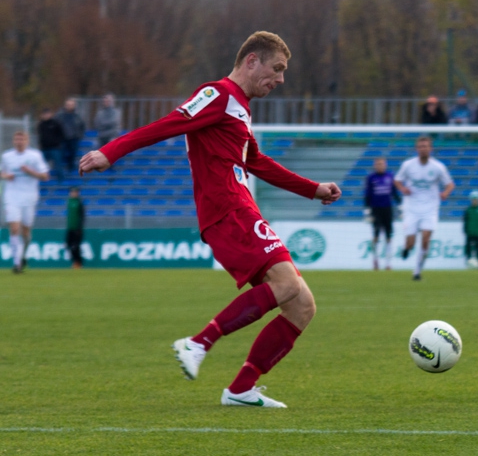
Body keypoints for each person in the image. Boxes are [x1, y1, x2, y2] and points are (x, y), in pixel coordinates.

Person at [79, 31, 342, 408]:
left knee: (302, 305)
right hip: (228, 209)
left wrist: (312, 189)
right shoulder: (217, 95)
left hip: (240, 208)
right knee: (286, 285)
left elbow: (254, 161)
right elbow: (168, 124)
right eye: (277, 69)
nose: (281, 79)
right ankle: (198, 342)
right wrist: (111, 151)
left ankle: (240, 390)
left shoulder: (241, 107)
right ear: (251, 60)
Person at [394, 135, 454, 281]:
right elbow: (397, 180)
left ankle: (417, 271)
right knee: (411, 242)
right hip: (411, 208)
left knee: (426, 240)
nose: (423, 149)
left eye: (426, 146)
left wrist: (445, 193)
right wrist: (402, 189)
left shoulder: (438, 167)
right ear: (416, 149)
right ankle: (407, 248)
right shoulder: (408, 165)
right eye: (420, 147)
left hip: (430, 208)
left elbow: (450, 184)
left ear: (430, 149)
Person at [1, 131, 50, 273]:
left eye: (22, 139)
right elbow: (1, 172)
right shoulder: (6, 156)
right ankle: (16, 263)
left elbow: (45, 176)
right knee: (14, 228)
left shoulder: (35, 156)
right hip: (12, 196)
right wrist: (5, 175)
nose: (19, 141)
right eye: (17, 139)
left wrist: (29, 171)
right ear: (13, 141)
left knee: (26, 231)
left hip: (29, 197)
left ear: (27, 141)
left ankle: (23, 255)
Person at [364, 157, 400, 271]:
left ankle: (388, 263)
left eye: (382, 164)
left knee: (389, 236)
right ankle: (375, 260)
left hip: (387, 209)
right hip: (376, 210)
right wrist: (367, 210)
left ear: (385, 165)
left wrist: (400, 205)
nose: (380, 166)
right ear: (375, 165)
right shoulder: (371, 178)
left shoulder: (390, 176)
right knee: (376, 235)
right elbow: (367, 194)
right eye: (378, 164)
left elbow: (394, 192)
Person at [56, 97, 86, 173]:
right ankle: (61, 170)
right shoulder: (60, 115)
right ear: (65, 105)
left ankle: (71, 169)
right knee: (61, 154)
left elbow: (82, 126)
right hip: (63, 138)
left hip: (74, 138)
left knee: (73, 154)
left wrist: (80, 135)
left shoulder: (78, 116)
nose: (69, 106)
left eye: (71, 105)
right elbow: (55, 125)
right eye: (68, 104)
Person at [37, 107, 64, 181]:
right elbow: (40, 136)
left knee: (58, 165)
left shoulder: (55, 123)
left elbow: (61, 134)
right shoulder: (41, 125)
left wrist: (57, 143)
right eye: (44, 114)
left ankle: (61, 181)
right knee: (42, 165)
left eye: (47, 114)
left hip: (55, 148)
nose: (46, 116)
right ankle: (44, 179)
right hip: (44, 148)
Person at [463, 189, 478, 269]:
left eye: (476, 199)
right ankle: (468, 263)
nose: (475, 201)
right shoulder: (468, 210)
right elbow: (465, 222)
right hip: (470, 233)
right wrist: (465, 230)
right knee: (468, 249)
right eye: (473, 199)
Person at [65, 187, 85, 269]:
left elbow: (82, 216)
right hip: (70, 228)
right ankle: (75, 261)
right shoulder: (69, 201)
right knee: (68, 244)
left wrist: (79, 228)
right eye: (72, 192)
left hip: (77, 228)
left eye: (75, 192)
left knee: (76, 246)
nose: (73, 193)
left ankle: (78, 262)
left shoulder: (79, 202)